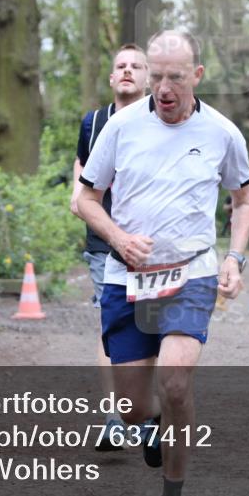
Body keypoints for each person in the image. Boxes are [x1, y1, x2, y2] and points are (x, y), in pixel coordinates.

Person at [76, 30, 249, 496]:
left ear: (196, 76)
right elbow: (86, 199)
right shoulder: (120, 128)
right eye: (156, 77)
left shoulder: (222, 132)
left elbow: (244, 202)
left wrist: (234, 258)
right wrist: (118, 237)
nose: (163, 88)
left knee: (176, 381)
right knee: (132, 409)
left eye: (175, 77)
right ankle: (150, 424)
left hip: (190, 272)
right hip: (127, 277)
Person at [70, 43, 149, 449]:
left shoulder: (162, 118)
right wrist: (78, 196)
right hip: (105, 242)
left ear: (148, 76)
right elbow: (82, 170)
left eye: (137, 66)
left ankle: (145, 410)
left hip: (155, 245)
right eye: (121, 66)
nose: (128, 71)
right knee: (110, 326)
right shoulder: (94, 121)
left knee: (148, 326)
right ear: (111, 76)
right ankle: (114, 417)